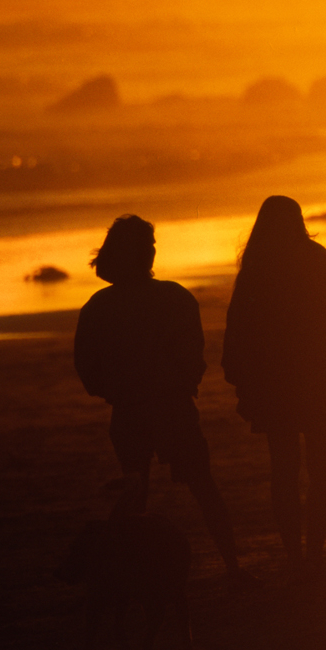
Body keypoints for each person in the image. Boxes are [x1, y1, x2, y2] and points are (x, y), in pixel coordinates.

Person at [73, 215, 257, 591]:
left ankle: (134, 577)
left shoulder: (98, 307)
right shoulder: (175, 297)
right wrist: (175, 386)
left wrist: (118, 392)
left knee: (135, 497)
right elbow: (194, 358)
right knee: (205, 490)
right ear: (147, 253)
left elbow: (88, 369)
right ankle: (232, 566)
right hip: (173, 409)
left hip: (128, 412)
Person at [222, 196, 326, 571]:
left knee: (284, 470)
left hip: (276, 390)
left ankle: (294, 555)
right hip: (323, 385)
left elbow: (238, 334)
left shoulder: (256, 271)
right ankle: (315, 552)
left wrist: (241, 382)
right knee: (322, 470)